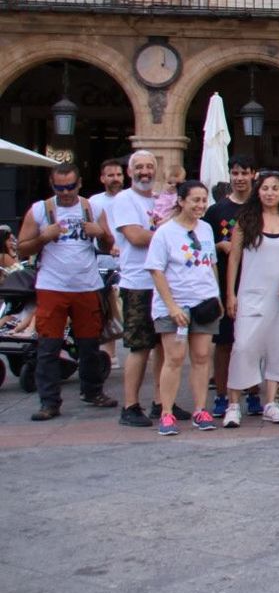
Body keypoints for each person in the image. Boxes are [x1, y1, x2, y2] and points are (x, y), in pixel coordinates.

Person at [17, 162, 116, 419]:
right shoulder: (40, 210)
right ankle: (49, 402)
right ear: (52, 185)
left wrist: (101, 233)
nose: (66, 192)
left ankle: (92, 391)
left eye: (70, 186)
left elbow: (108, 246)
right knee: (48, 345)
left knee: (89, 344)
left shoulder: (92, 208)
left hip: (87, 285)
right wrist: (43, 237)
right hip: (52, 286)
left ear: (79, 183)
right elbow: (21, 248)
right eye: (59, 188)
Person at [224, 172, 279, 427]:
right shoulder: (245, 220)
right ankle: (233, 404)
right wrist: (230, 294)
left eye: (275, 188)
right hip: (251, 294)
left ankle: (271, 402)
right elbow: (234, 258)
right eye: (265, 188)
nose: (270, 193)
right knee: (243, 347)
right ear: (257, 191)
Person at [146, 181, 222, 436]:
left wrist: (217, 295)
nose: (200, 205)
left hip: (204, 301)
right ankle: (166, 411)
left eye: (203, 200)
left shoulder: (206, 228)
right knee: (175, 358)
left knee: (202, 357)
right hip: (175, 303)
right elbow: (156, 271)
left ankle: (200, 409)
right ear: (181, 201)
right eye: (195, 200)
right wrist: (172, 307)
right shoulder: (165, 232)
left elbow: (211, 263)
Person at [112, 150, 165, 428]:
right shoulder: (124, 199)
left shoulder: (159, 200)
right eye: (139, 167)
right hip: (137, 283)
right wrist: (167, 236)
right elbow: (135, 236)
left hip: (162, 284)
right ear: (130, 171)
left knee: (163, 344)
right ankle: (130, 405)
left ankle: (161, 401)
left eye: (149, 166)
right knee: (140, 346)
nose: (145, 172)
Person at [203, 159, 255, 418]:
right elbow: (203, 244)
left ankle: (254, 393)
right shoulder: (216, 211)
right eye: (235, 173)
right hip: (225, 282)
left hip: (255, 280)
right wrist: (218, 246)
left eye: (244, 172)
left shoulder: (260, 207)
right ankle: (222, 395)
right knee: (224, 342)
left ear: (253, 174)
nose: (239, 177)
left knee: (253, 342)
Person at [88, 156, 126, 369]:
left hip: (129, 260)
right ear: (102, 178)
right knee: (106, 305)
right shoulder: (94, 202)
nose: (115, 178)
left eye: (119, 174)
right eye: (111, 175)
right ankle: (109, 353)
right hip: (103, 258)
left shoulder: (130, 199)